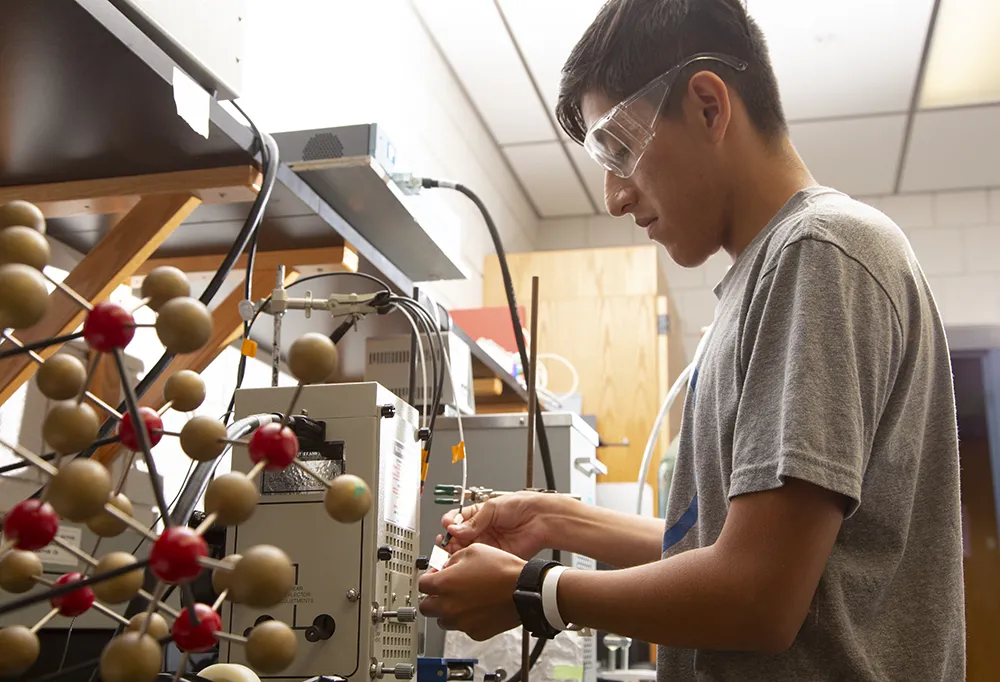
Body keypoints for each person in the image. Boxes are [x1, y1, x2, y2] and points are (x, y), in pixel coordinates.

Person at [417, 0, 966, 679]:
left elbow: (758, 597)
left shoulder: (819, 252)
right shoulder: (763, 278)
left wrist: (533, 592)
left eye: (619, 150)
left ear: (708, 106)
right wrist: (557, 519)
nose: (615, 196)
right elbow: (727, 547)